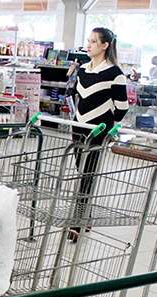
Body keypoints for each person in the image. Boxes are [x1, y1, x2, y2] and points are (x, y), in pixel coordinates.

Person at [69, 27, 128, 241]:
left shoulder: (115, 74)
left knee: (87, 174)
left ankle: (77, 221)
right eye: (89, 40)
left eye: (94, 41)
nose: (89, 44)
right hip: (79, 128)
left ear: (105, 45)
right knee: (81, 171)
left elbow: (122, 108)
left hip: (99, 130)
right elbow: (79, 97)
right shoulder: (83, 69)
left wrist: (113, 127)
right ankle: (87, 216)